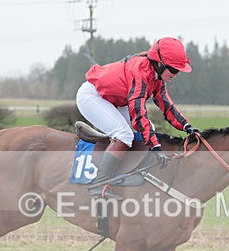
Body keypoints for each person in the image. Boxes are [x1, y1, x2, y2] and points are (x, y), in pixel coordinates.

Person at [76, 37, 200, 199]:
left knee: (151, 131)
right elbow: (138, 113)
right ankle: (99, 185)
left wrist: (186, 126)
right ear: (160, 64)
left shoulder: (156, 77)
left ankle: (132, 179)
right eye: (174, 70)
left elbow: (167, 105)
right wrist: (155, 147)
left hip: (114, 99)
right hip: (92, 96)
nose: (176, 75)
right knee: (125, 135)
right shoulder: (141, 71)